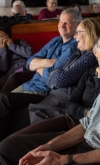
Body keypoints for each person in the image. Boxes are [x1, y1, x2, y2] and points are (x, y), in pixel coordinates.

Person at [0, 20, 100, 165]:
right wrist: (48, 146)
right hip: (86, 143)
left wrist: (63, 160)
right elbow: (88, 123)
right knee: (7, 147)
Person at [0, 8, 81, 138]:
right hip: (29, 85)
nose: (62, 25)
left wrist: (38, 66)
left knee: (3, 99)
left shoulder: (73, 47)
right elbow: (29, 62)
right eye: (60, 21)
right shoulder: (55, 40)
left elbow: (54, 75)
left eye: (67, 22)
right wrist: (49, 62)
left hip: (42, 92)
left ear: (77, 25)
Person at [21, 35, 100, 130]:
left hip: (85, 126)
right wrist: (85, 112)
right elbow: (70, 104)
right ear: (95, 52)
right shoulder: (88, 73)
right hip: (74, 117)